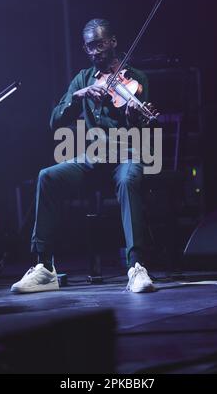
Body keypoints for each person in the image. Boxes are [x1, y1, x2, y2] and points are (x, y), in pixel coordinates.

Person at [11, 18, 155, 294]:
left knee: (127, 180)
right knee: (47, 177)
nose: (95, 52)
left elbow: (140, 129)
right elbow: (55, 121)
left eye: (100, 45)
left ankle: (136, 267)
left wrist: (133, 116)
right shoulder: (83, 79)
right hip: (93, 158)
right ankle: (44, 267)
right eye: (89, 47)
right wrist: (78, 96)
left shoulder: (137, 78)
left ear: (112, 42)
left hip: (125, 154)